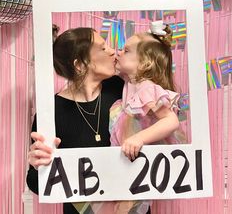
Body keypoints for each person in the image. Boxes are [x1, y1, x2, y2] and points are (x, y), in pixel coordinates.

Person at [26, 26, 152, 214]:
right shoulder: (50, 113)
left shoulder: (123, 89)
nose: (112, 51)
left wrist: (158, 43)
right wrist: (37, 165)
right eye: (103, 48)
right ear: (80, 64)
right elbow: (37, 185)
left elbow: (160, 100)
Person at [107, 20, 184, 214]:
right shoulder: (129, 82)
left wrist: (138, 138)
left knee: (132, 204)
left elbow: (171, 121)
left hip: (140, 158)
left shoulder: (146, 88)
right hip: (127, 160)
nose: (118, 52)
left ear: (144, 63)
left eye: (126, 50)